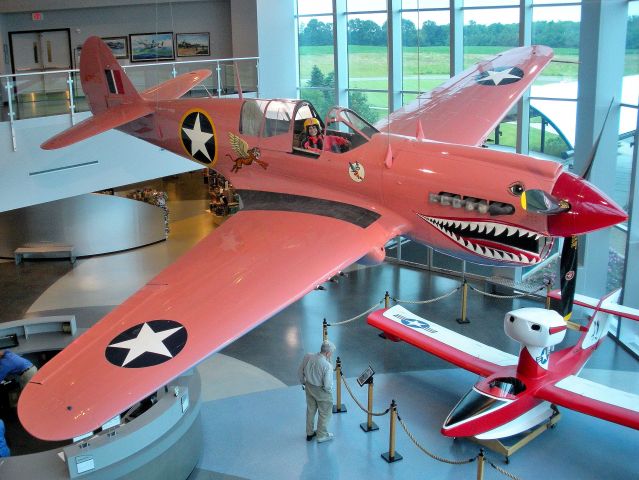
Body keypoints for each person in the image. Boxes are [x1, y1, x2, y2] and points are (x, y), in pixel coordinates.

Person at [298, 340, 336, 443]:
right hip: (321, 391)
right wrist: (328, 391)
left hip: (309, 388)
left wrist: (304, 382)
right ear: (328, 353)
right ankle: (321, 435)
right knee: (324, 413)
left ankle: (309, 433)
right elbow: (328, 385)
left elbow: (300, 371)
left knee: (310, 410)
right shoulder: (327, 366)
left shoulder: (308, 356)